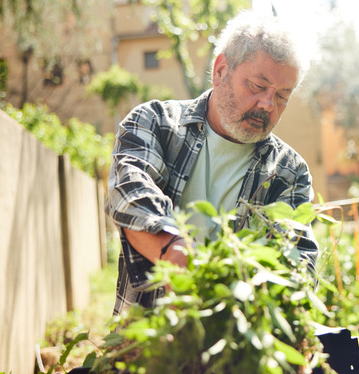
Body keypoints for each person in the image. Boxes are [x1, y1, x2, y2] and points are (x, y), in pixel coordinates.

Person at [105, 10, 318, 316]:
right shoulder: (154, 123)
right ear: (220, 71)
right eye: (259, 86)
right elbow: (129, 197)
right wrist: (175, 253)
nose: (268, 105)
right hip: (144, 346)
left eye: (282, 95)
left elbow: (297, 260)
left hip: (238, 349)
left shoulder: (290, 172)